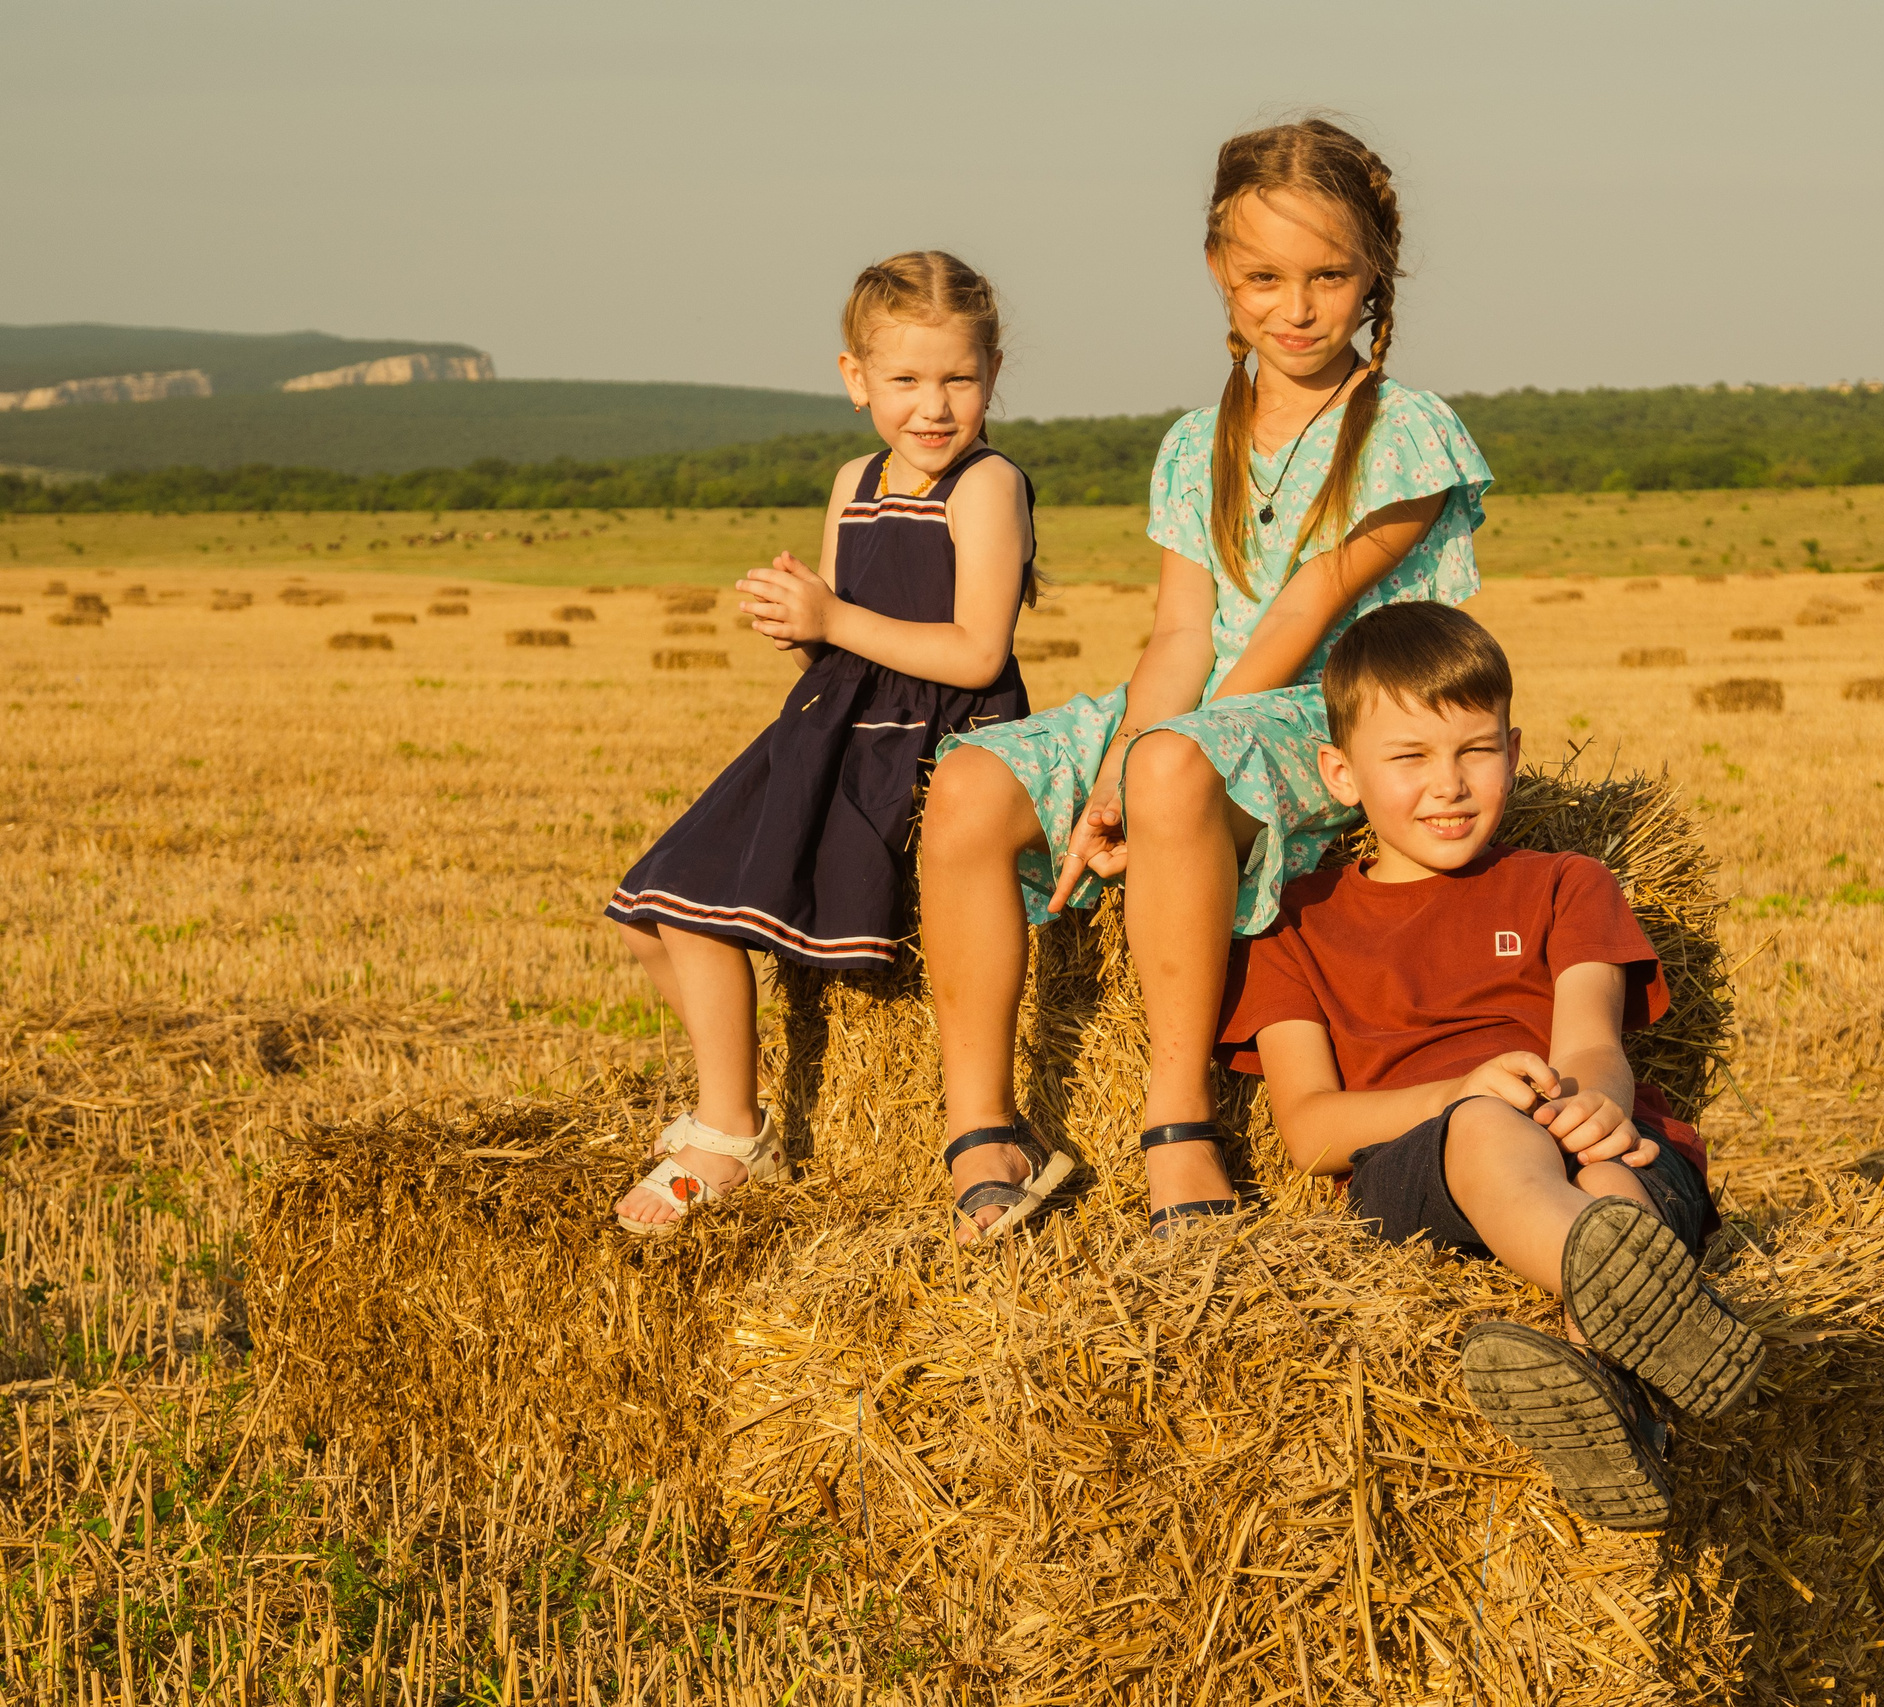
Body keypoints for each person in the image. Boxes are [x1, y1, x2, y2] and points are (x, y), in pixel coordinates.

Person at [919, 117, 1492, 1244]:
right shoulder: (1194, 443)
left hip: (1334, 710)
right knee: (972, 784)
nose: (1297, 306)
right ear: (1218, 276)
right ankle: (979, 1120)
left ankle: (1177, 1119)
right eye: (1264, 276)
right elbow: (1181, 632)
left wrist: (1145, 773)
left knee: (1177, 763)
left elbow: (1301, 614)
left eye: (1329, 275)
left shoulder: (1407, 435)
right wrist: (1104, 778)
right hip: (1201, 704)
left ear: (1377, 270)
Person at [1216, 602, 1766, 1530]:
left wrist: (1594, 1105)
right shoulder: (1293, 924)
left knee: (1608, 1164)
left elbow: (1593, 1039)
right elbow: (1309, 1130)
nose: (1450, 785)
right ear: (1340, 774)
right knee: (1485, 1127)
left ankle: (1607, 1389)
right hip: (1422, 1164)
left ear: (1514, 751)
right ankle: (1661, 1315)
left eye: (1475, 751)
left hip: (1591, 1142)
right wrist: (1458, 1092)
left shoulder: (1566, 883)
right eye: (1411, 758)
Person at [607, 252, 1039, 1234]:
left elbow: (976, 653)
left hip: (938, 745)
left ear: (992, 373)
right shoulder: (854, 478)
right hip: (837, 725)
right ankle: (729, 1119)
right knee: (660, 905)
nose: (933, 406)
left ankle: (722, 1139)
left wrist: (833, 620)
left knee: (707, 898)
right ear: (855, 380)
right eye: (905, 381)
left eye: (958, 379)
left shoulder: (987, 484)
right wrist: (801, 627)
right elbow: (842, 641)